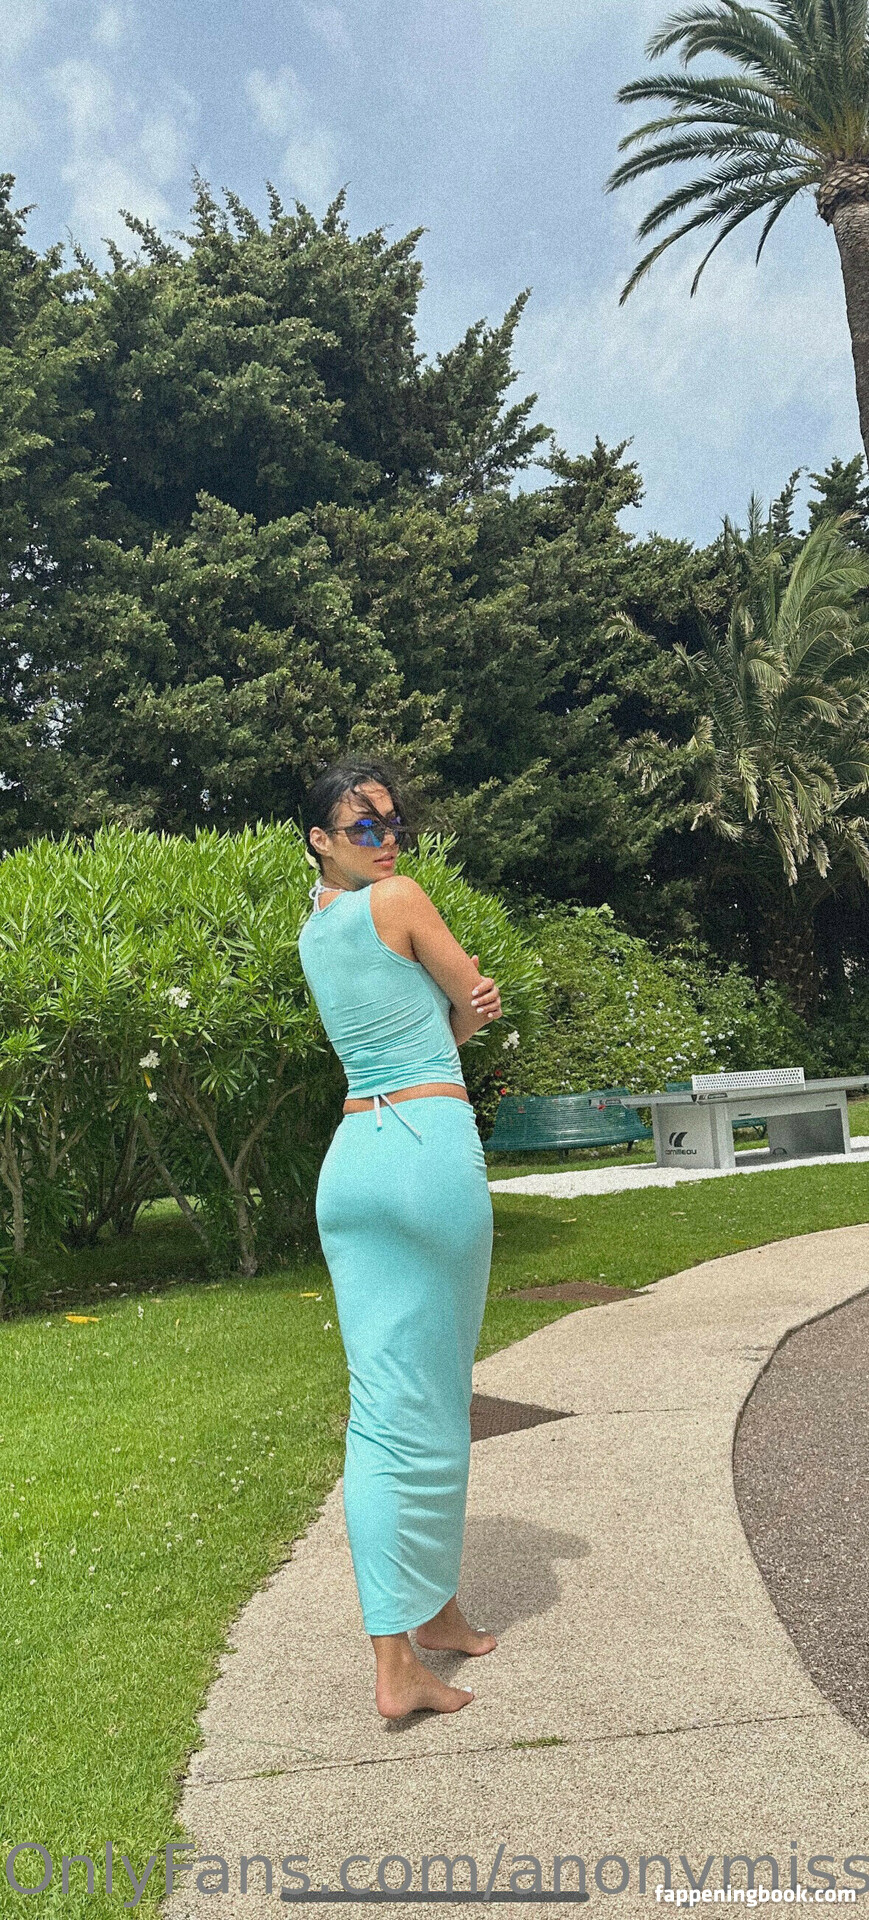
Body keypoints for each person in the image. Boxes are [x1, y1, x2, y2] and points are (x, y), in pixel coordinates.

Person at [298, 757, 502, 1719]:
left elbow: (408, 1036)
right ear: (321, 840)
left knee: (391, 1399)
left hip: (355, 1163)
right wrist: (469, 1008)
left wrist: (451, 1017)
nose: (386, 841)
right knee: (421, 1404)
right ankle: (396, 1664)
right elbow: (470, 1000)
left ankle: (435, 1612)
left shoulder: (314, 931)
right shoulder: (402, 900)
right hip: (425, 1155)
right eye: (364, 827)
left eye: (392, 824)